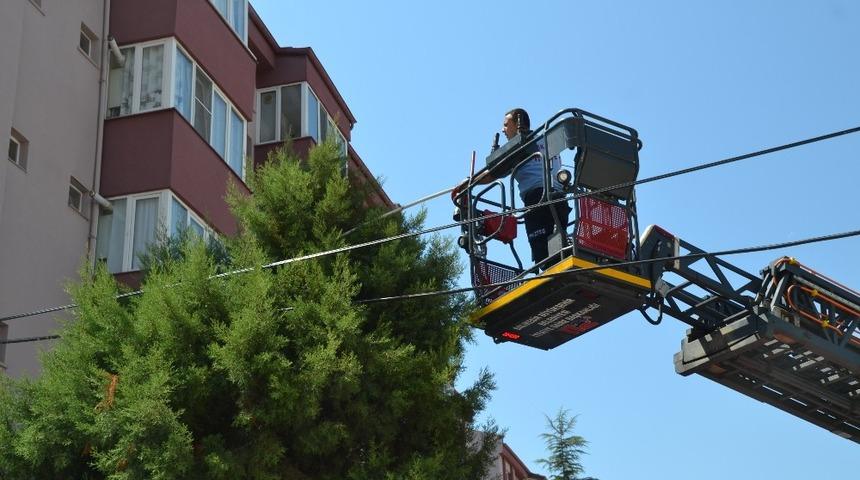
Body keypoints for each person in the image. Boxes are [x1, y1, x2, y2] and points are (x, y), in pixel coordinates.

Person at [454, 108, 570, 267]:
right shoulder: (546, 140)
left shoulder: (519, 145)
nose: (503, 130)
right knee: (558, 249)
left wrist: (468, 182)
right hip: (560, 201)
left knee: (545, 258)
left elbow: (493, 173)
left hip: (538, 201)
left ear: (518, 124)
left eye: (506, 125)